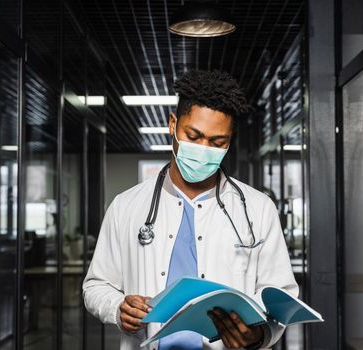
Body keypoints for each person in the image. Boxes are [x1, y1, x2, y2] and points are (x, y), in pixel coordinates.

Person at [83, 70, 298, 350]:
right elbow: (96, 286)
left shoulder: (258, 209)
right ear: (173, 124)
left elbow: (280, 295)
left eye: (217, 142)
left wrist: (258, 336)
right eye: (193, 136)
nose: (203, 149)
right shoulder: (126, 206)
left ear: (229, 141)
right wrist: (117, 307)